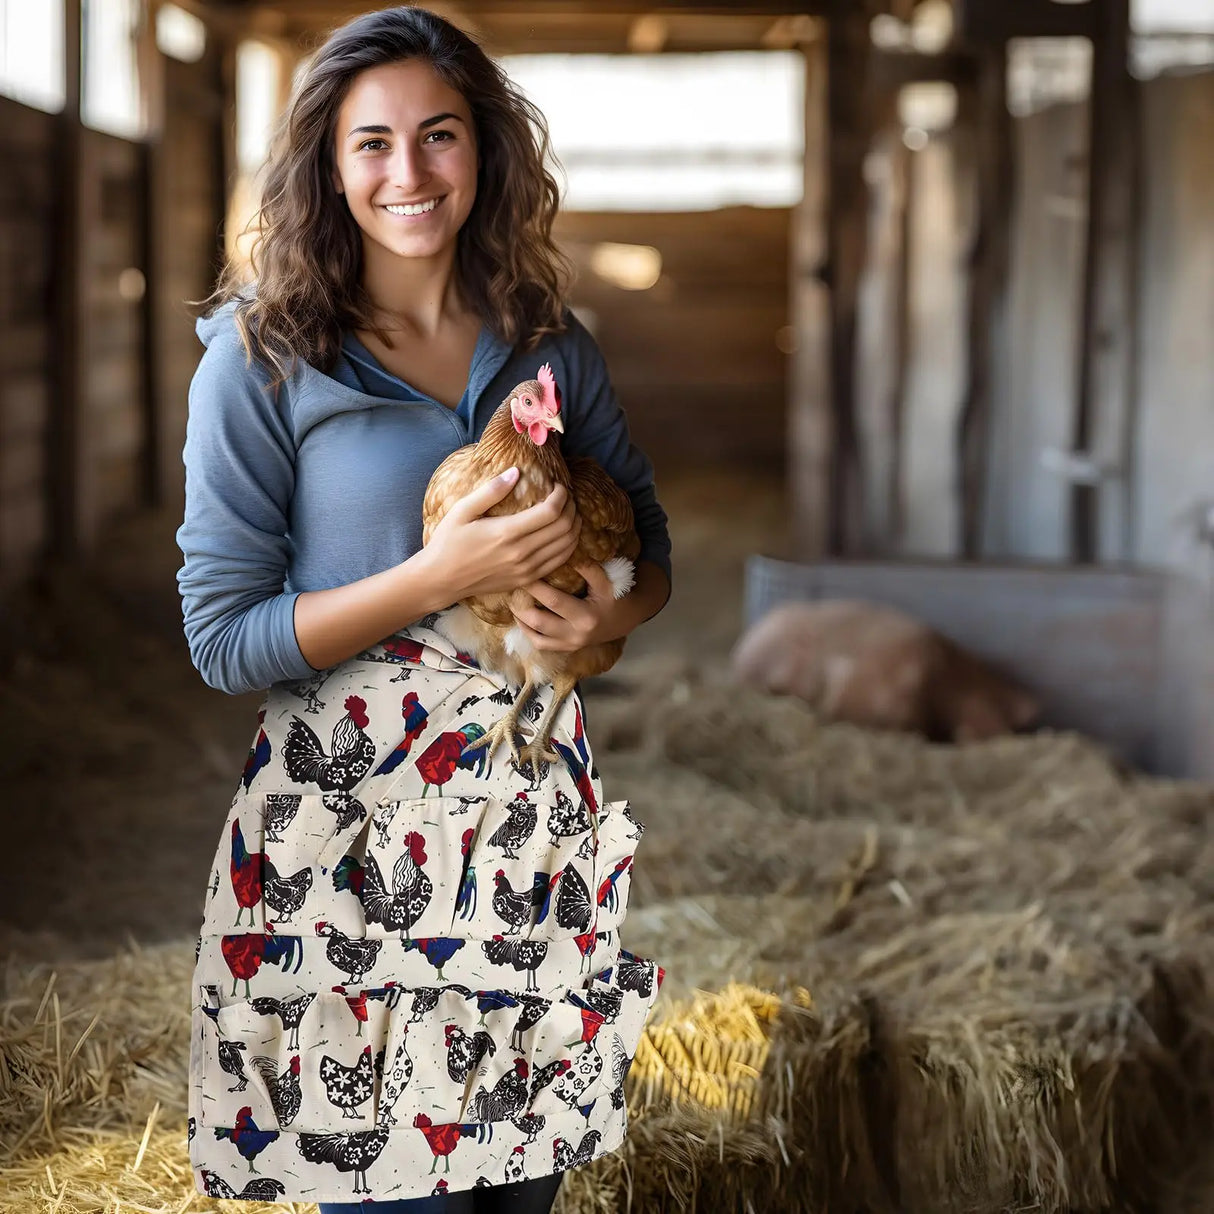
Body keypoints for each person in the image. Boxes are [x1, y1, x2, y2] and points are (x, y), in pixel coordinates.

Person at [175, 6, 670, 1213]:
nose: (409, 172)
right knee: (391, 1192)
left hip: (528, 826)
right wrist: (432, 578)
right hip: (347, 831)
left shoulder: (552, 347)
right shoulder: (263, 360)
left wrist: (600, 613)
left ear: (484, 151)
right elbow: (221, 636)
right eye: (372, 143)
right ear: (327, 167)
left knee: (518, 1186)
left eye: (439, 135)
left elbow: (648, 554)